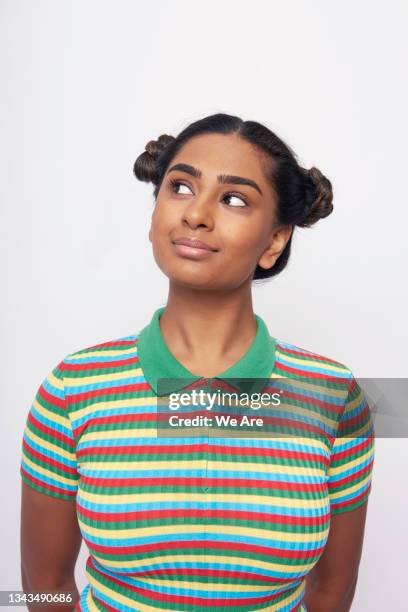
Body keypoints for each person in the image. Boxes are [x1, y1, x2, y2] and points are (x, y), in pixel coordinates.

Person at [20, 113, 375, 611]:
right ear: (154, 214)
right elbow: (43, 585)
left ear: (274, 240)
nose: (196, 214)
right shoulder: (72, 389)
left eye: (234, 199)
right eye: (181, 187)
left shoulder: (334, 396)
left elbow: (332, 592)